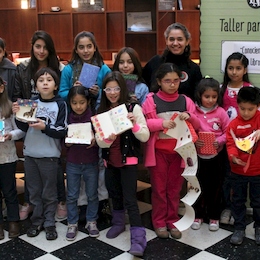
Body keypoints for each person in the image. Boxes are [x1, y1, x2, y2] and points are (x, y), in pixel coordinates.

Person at [12, 30, 67, 221]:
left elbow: (62, 95)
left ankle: (59, 202)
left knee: (54, 165)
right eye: (37, 46)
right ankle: (30, 204)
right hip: (29, 117)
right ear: (32, 47)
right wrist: (19, 109)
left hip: (51, 122)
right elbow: (18, 92)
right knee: (33, 171)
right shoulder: (24, 66)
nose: (41, 51)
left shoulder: (58, 67)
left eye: (45, 47)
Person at [142, 63, 200, 239]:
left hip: (180, 154)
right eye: (167, 81)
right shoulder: (151, 101)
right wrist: (161, 124)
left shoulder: (185, 101)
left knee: (174, 189)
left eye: (176, 80)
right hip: (159, 153)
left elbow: (197, 125)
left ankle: (172, 220)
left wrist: (190, 117)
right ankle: (159, 221)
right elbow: (142, 125)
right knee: (159, 189)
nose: (172, 84)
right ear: (159, 81)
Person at [95, 71, 149, 257]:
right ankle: (118, 223)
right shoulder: (101, 111)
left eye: (116, 88)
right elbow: (100, 141)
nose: (112, 92)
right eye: (108, 89)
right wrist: (107, 139)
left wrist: (133, 125)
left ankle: (138, 237)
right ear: (104, 90)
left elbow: (144, 135)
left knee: (130, 198)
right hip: (110, 161)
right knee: (114, 194)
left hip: (129, 160)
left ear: (122, 88)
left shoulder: (133, 108)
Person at [58, 31, 111, 221]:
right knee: (77, 162)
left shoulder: (103, 69)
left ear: (95, 47)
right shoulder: (69, 70)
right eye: (81, 47)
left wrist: (97, 92)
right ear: (76, 49)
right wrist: (75, 90)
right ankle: (80, 206)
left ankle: (100, 203)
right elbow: (61, 93)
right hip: (75, 121)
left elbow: (111, 92)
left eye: (89, 46)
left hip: (98, 119)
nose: (86, 50)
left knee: (97, 164)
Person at [191, 77, 229, 231]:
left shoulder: (221, 112)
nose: (210, 100)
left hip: (216, 157)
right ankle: (198, 215)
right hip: (198, 157)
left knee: (215, 187)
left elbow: (228, 132)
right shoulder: (193, 110)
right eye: (207, 97)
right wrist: (195, 140)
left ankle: (214, 216)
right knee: (197, 187)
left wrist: (219, 141)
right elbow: (189, 129)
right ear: (200, 95)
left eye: (214, 97)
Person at [219, 52, 252, 225]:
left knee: (241, 177)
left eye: (238, 68)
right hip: (225, 140)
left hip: (244, 141)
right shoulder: (221, 88)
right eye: (230, 68)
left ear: (245, 70)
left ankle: (237, 209)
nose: (234, 72)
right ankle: (226, 207)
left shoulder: (250, 89)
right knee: (226, 176)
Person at [226, 87, 260, 245]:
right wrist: (233, 157)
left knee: (258, 202)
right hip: (237, 171)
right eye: (242, 109)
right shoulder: (233, 125)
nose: (246, 113)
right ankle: (239, 228)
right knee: (238, 201)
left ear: (257, 106)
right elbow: (230, 143)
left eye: (250, 109)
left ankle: (259, 228)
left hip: (258, 171)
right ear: (237, 105)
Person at [65, 85, 99, 241]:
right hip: (72, 163)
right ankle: (72, 223)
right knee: (72, 195)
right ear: (70, 103)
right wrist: (67, 143)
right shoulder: (67, 118)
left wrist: (95, 140)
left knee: (92, 194)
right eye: (74, 103)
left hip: (91, 162)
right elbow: (61, 141)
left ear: (88, 102)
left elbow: (102, 137)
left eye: (82, 102)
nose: (78, 106)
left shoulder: (94, 118)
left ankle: (91, 221)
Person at [142, 22, 202, 101]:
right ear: (166, 41)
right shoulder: (154, 62)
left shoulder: (193, 69)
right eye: (171, 39)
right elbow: (142, 85)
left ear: (187, 41)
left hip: (183, 112)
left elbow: (197, 97)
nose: (175, 43)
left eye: (180, 39)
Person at [0, 76, 25, 239]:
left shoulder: (9, 107)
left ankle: (13, 221)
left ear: (2, 88)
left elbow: (20, 130)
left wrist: (11, 135)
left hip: (7, 156)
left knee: (9, 190)